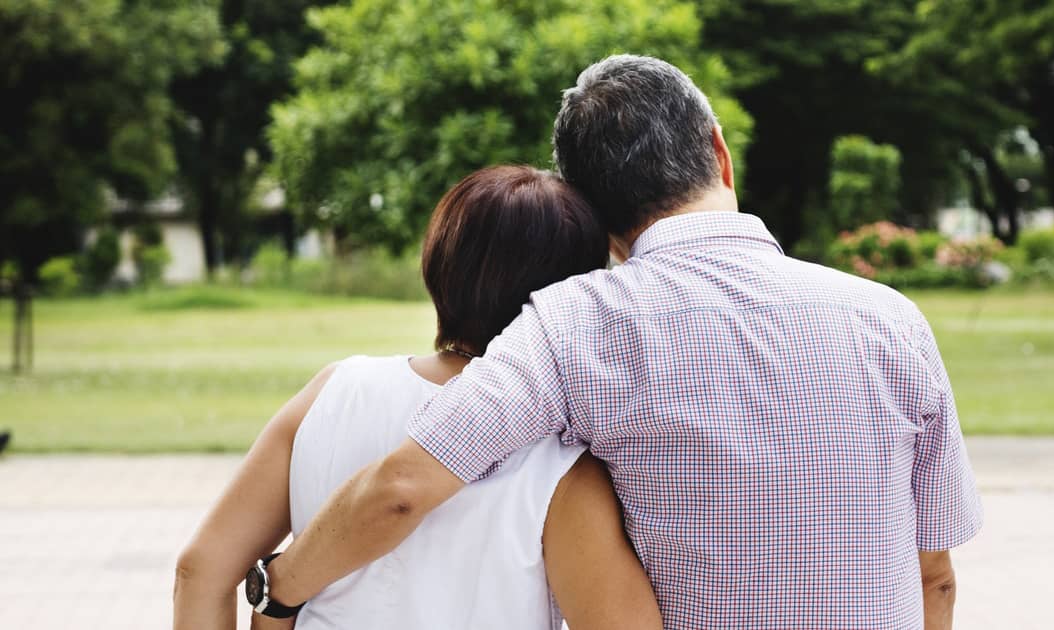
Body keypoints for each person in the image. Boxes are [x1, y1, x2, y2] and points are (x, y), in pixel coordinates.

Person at [259, 55, 983, 630]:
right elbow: (934, 576)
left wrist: (280, 592)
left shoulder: (573, 324)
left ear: (592, 211)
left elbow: (403, 488)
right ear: (719, 152)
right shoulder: (891, 321)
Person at [172, 166, 663, 630]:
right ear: (573, 295)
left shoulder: (334, 390)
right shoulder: (561, 459)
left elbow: (200, 571)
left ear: (437, 264)